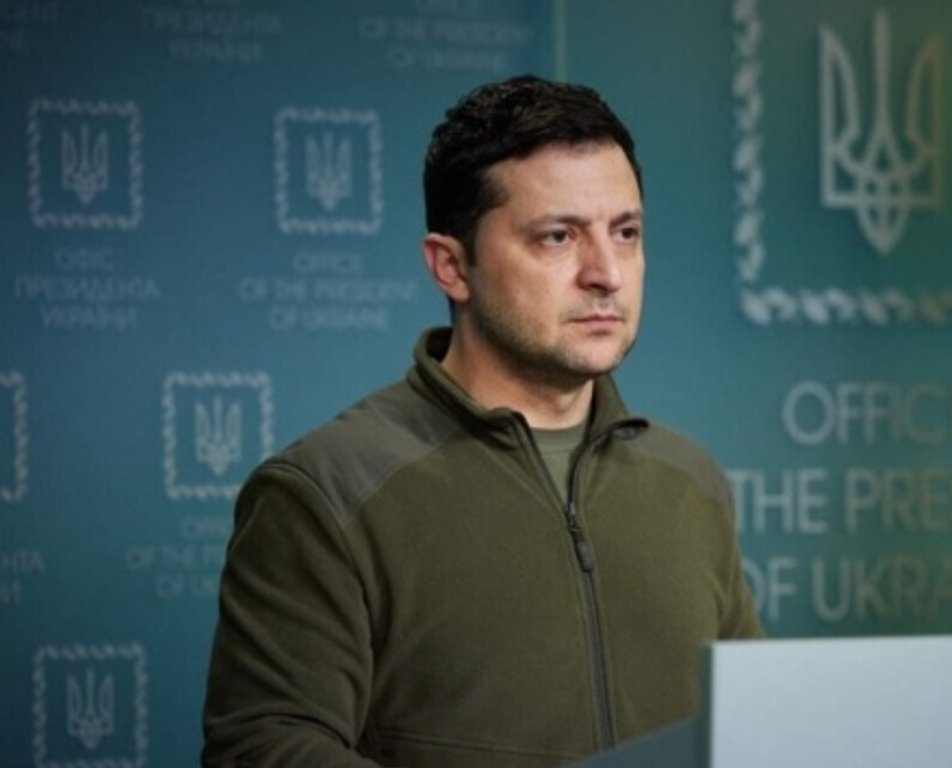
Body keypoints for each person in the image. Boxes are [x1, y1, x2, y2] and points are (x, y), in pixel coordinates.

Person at [201, 75, 763, 767]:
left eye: (625, 233)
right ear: (451, 266)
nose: (606, 273)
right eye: (558, 236)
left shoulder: (690, 481)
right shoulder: (327, 492)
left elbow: (756, 733)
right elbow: (263, 748)